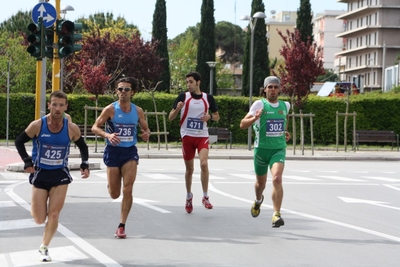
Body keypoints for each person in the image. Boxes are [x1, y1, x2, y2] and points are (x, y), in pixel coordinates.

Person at [14, 91, 90, 262]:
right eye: (54, 104)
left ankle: (44, 247)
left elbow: (83, 146)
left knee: (54, 214)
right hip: (40, 174)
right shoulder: (37, 125)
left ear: (66, 107)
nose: (57, 108)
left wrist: (84, 164)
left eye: (61, 105)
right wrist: (27, 161)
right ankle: (42, 225)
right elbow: (19, 141)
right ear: (49, 105)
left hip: (60, 174)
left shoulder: (71, 127)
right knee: (40, 218)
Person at [91, 77, 151, 238]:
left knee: (128, 188)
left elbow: (146, 129)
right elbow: (95, 127)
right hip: (113, 151)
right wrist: (107, 135)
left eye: (126, 89)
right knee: (114, 193)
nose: (122, 92)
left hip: (130, 152)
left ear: (132, 92)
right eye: (120, 89)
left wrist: (146, 134)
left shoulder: (137, 111)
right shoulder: (110, 109)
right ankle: (111, 184)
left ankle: (122, 225)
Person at [239, 76, 291, 228]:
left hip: (278, 149)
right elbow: (242, 124)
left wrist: (286, 133)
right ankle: (258, 200)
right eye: (270, 87)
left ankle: (276, 214)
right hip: (261, 151)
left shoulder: (286, 105)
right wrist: (255, 117)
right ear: (265, 89)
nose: (273, 90)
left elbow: (281, 124)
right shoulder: (259, 104)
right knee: (260, 184)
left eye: (275, 87)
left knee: (277, 178)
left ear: (280, 89)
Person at [168, 71, 220, 213]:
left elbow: (217, 117)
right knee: (189, 170)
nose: (188, 85)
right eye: (187, 82)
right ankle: (189, 196)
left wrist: (209, 117)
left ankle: (205, 196)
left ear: (198, 82)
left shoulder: (207, 98)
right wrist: (177, 109)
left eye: (191, 82)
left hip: (202, 135)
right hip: (187, 136)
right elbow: (170, 118)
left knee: (204, 164)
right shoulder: (183, 97)